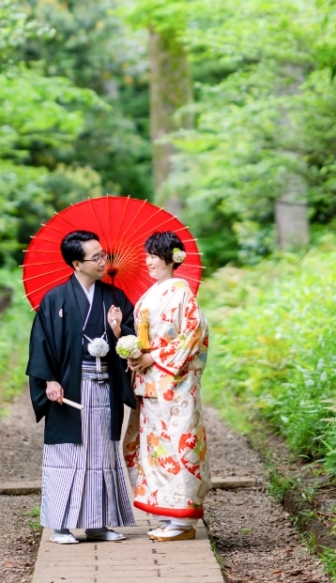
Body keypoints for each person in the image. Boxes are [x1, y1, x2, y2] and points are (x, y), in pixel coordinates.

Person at [27, 228, 137, 545]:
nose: (103, 261)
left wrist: (118, 329)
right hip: (69, 389)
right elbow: (41, 342)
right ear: (77, 263)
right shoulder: (56, 299)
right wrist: (49, 380)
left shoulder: (114, 297)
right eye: (96, 257)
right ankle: (60, 526)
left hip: (104, 386)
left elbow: (132, 343)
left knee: (101, 453)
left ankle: (98, 524)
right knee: (69, 455)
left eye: (104, 255)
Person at [122, 230, 210, 542]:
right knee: (154, 449)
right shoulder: (152, 293)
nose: (148, 262)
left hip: (176, 386)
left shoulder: (183, 294)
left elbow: (193, 336)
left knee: (178, 446)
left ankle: (183, 521)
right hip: (151, 385)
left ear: (172, 259)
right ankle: (165, 514)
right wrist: (135, 355)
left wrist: (154, 356)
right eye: (147, 256)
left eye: (154, 257)